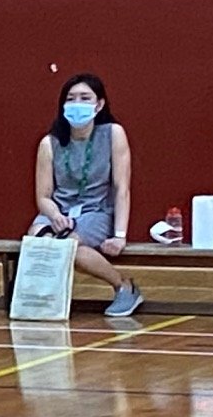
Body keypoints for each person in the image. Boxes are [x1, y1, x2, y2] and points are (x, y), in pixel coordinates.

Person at [29, 73, 141, 318]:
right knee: (36, 239)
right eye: (71, 99)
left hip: (96, 211)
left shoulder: (113, 134)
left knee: (69, 247)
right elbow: (43, 196)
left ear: (99, 104)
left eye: (84, 98)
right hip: (59, 210)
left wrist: (119, 235)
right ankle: (42, 299)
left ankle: (124, 286)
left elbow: (122, 188)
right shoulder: (49, 143)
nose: (77, 103)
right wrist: (54, 215)